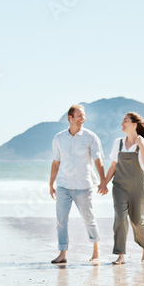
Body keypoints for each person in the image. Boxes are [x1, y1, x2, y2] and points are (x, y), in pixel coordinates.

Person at [49, 104, 106, 264]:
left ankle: (96, 249)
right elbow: (55, 162)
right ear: (70, 118)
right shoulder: (58, 138)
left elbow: (98, 160)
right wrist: (51, 183)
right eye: (79, 115)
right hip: (63, 185)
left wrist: (103, 181)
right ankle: (62, 254)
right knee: (61, 220)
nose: (83, 118)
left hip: (84, 186)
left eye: (84, 115)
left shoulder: (91, 137)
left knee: (88, 218)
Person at [99, 112, 144, 264]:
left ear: (134, 124)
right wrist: (104, 182)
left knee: (137, 221)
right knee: (120, 218)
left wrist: (141, 145)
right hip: (119, 187)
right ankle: (120, 255)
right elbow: (113, 166)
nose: (121, 124)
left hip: (138, 188)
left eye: (125, 121)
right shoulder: (118, 142)